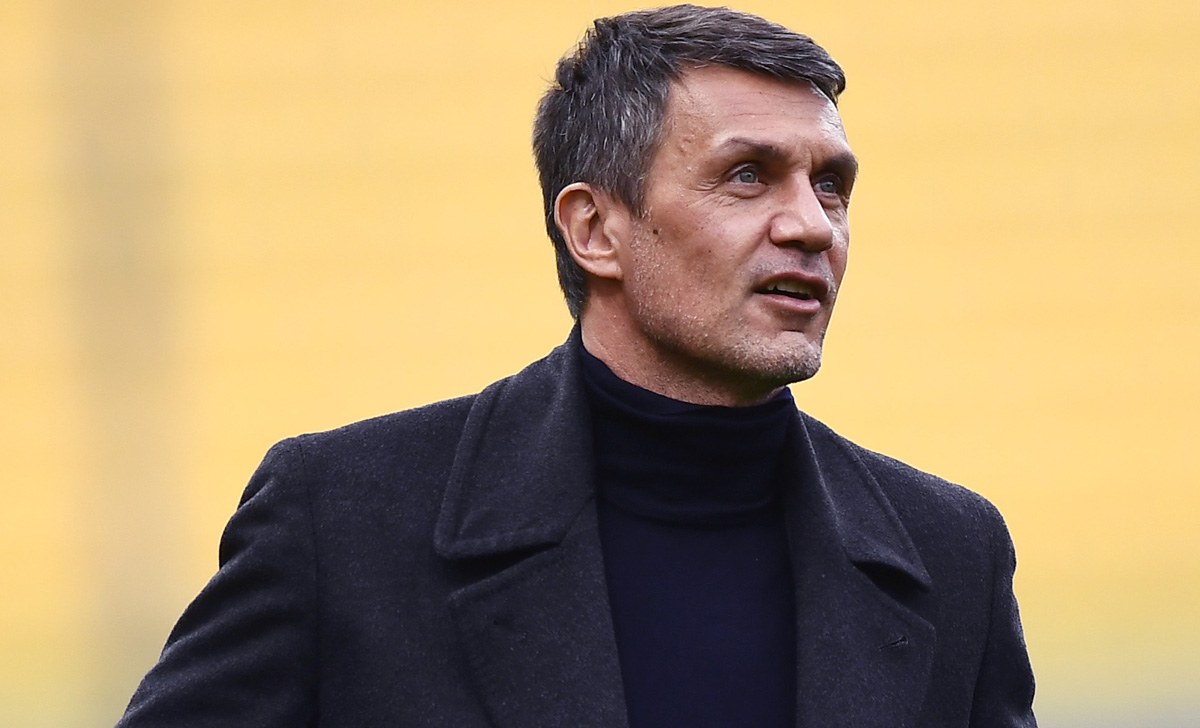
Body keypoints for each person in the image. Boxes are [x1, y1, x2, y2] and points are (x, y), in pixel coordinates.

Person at [116, 5, 1037, 727]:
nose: (811, 226)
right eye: (748, 175)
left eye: (830, 184)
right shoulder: (341, 519)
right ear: (594, 229)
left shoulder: (953, 554)